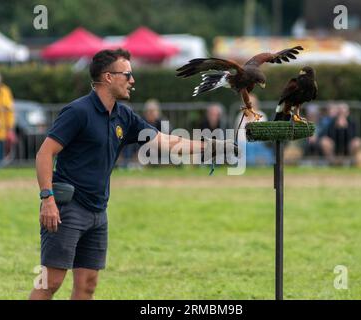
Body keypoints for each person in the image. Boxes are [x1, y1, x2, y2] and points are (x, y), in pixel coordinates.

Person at [29, 49, 237, 300]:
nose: (132, 80)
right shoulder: (78, 111)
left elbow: (163, 141)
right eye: (127, 74)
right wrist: (47, 199)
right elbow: (44, 153)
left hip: (98, 210)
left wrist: (209, 147)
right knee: (50, 281)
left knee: (88, 285)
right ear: (108, 77)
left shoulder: (123, 116)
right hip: (67, 208)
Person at [234, 94, 274, 166]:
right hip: (242, 145)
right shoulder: (240, 116)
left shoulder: (261, 116)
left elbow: (262, 135)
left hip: (257, 145)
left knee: (253, 147)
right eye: (246, 103)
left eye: (251, 103)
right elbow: (237, 134)